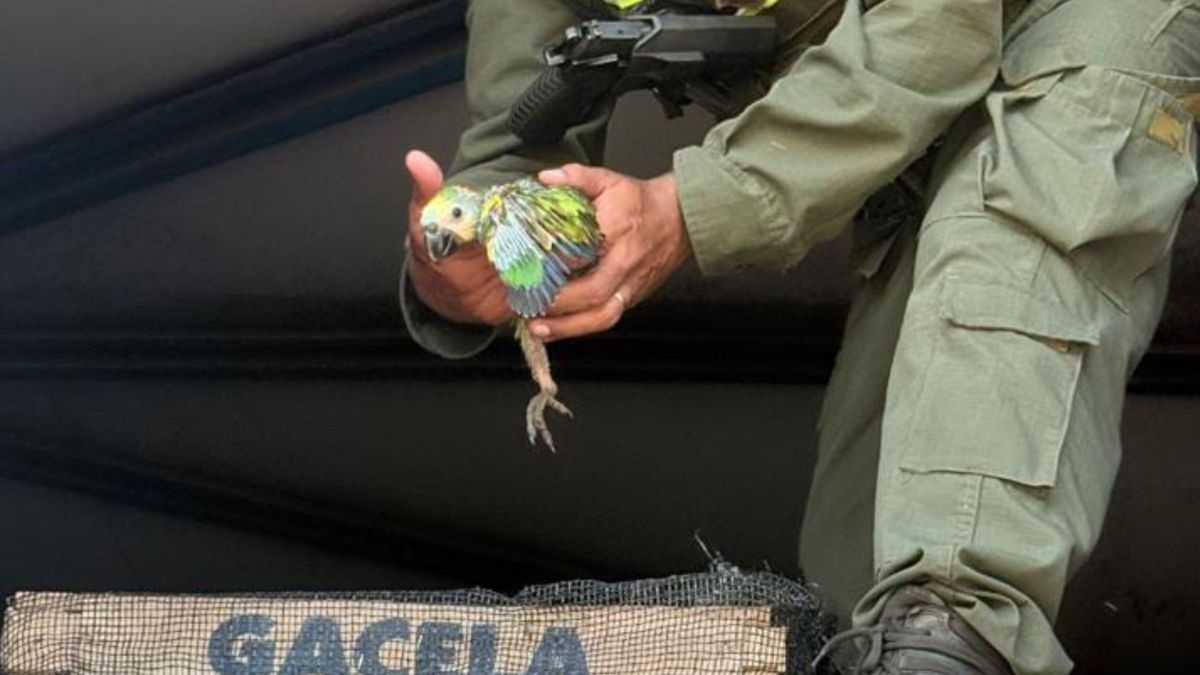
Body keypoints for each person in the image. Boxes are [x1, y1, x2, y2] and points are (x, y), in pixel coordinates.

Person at [400, 0, 1200, 672]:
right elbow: (515, 144)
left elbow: (937, 29)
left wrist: (690, 208)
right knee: (867, 557)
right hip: (901, 138)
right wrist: (462, 267)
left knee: (951, 577)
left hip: (1075, 24)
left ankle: (949, 640)